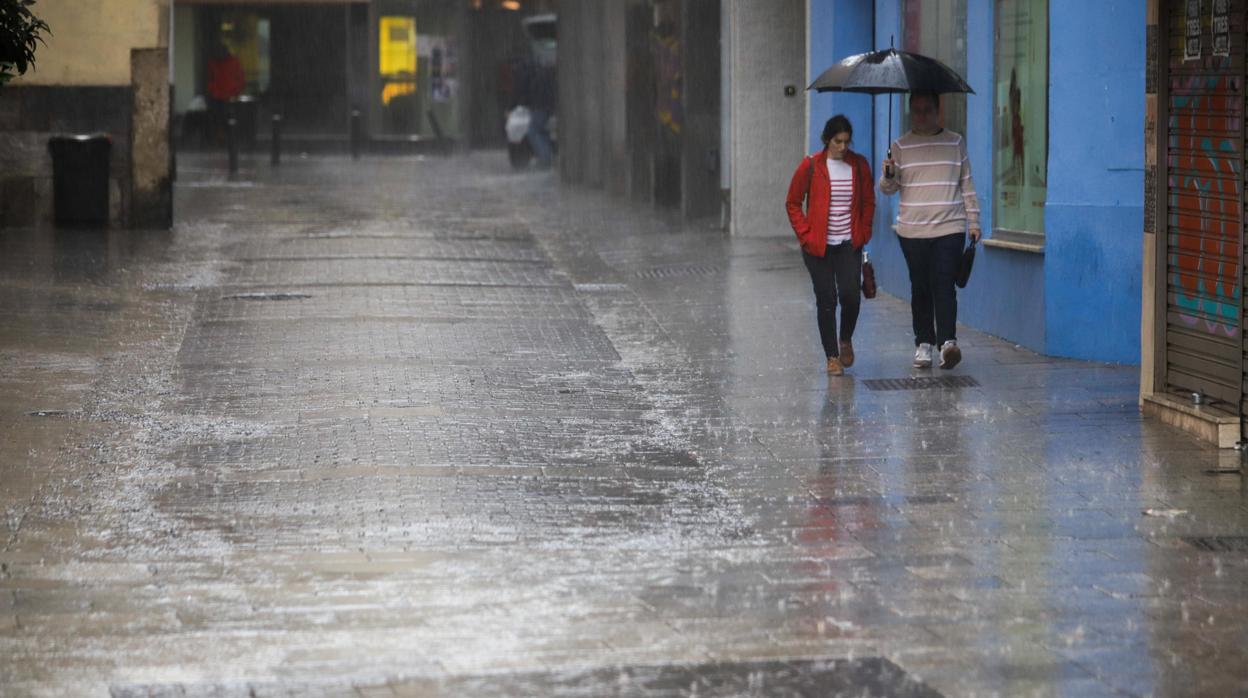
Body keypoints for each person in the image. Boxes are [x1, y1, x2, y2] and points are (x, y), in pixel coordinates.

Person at [879, 92, 981, 370]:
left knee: (944, 284)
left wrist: (974, 222)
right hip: (912, 231)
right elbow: (888, 189)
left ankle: (948, 343)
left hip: (950, 226)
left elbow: (967, 185)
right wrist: (888, 175)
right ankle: (923, 343)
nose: (920, 115)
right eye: (916, 110)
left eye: (926, 110)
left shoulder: (955, 142)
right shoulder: (899, 146)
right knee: (920, 286)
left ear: (938, 111)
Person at [786, 115, 876, 376]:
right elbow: (792, 202)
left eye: (847, 141)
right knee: (826, 299)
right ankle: (832, 357)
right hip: (818, 247)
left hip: (849, 243)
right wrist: (805, 234)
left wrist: (864, 231)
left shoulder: (858, 166)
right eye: (838, 141)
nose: (843, 147)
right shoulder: (811, 166)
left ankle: (845, 337)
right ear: (827, 140)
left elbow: (869, 201)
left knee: (851, 296)